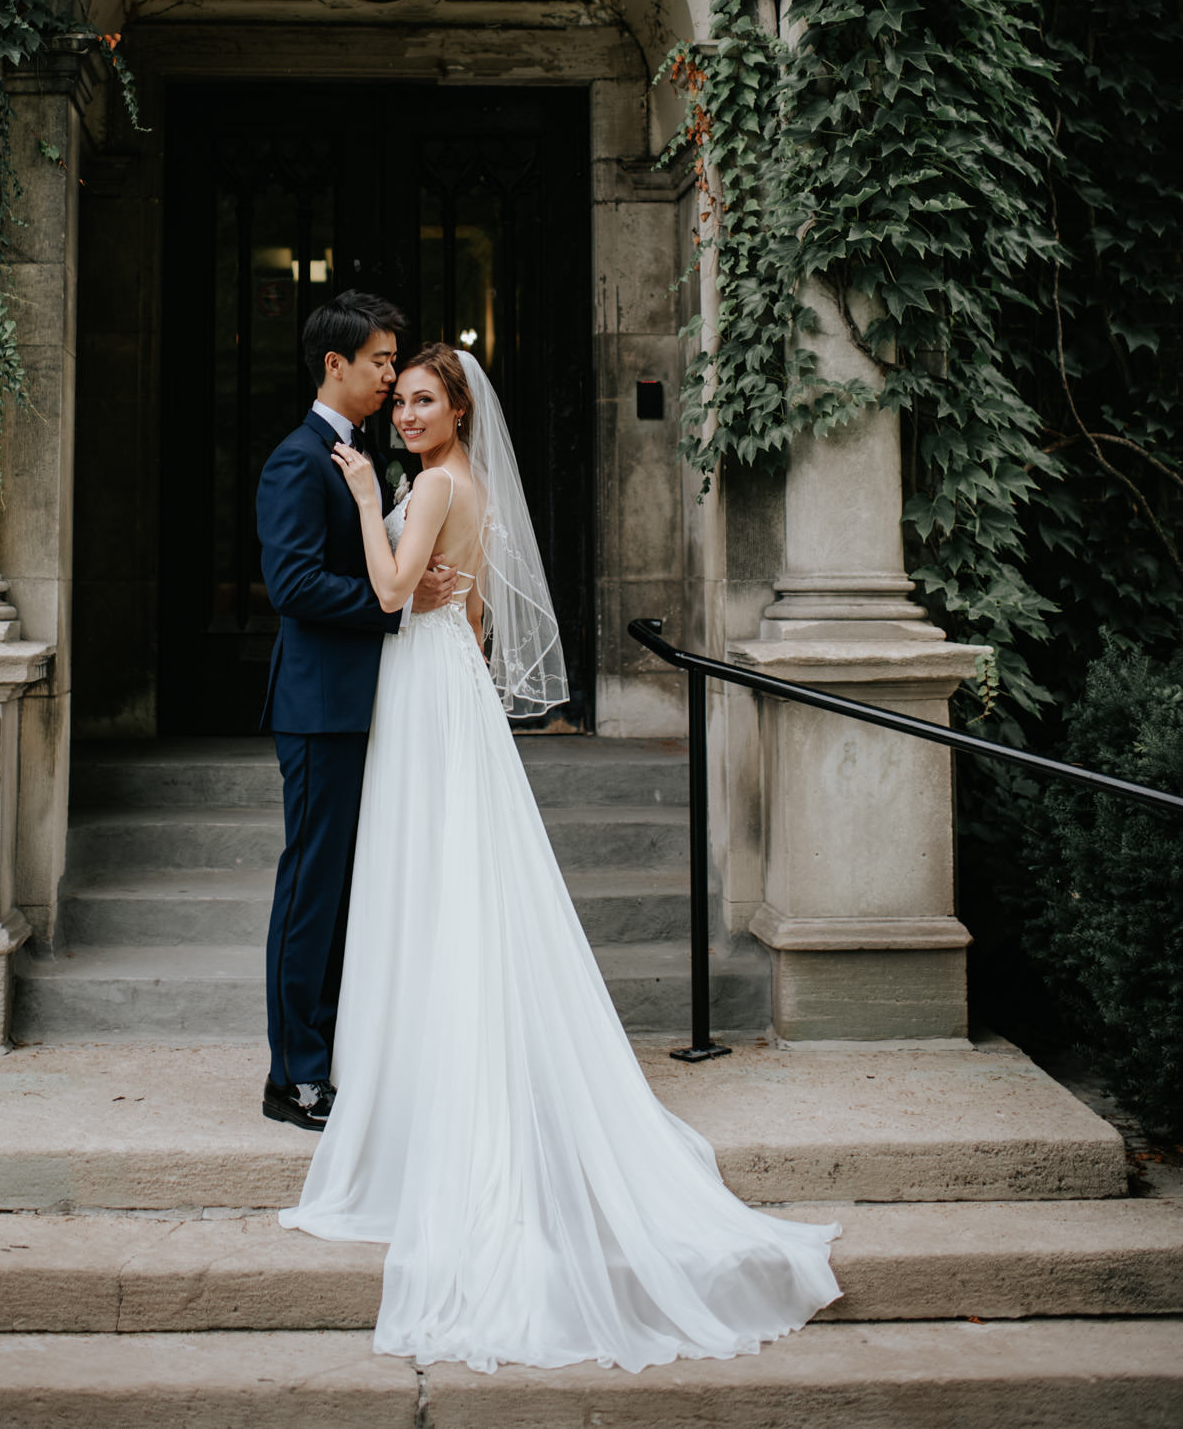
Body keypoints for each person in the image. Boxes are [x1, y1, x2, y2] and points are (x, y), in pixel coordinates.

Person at [280, 341, 842, 1373]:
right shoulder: (470, 485)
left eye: (423, 400)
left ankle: (426, 1101)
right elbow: (471, 615)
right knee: (448, 885)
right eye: (400, 401)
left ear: (458, 411)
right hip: (445, 686)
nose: (406, 415)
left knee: (430, 886)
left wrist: (364, 500)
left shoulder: (432, 486)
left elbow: (396, 591)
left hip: (426, 689)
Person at [255, 292, 455, 1132]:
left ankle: (337, 1051)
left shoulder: (363, 454)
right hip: (321, 707)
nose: (389, 376)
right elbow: (293, 585)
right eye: (380, 361)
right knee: (313, 888)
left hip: (372, 703)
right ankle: (294, 1075)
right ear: (335, 364)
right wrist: (397, 607)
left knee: (350, 888)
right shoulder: (297, 460)